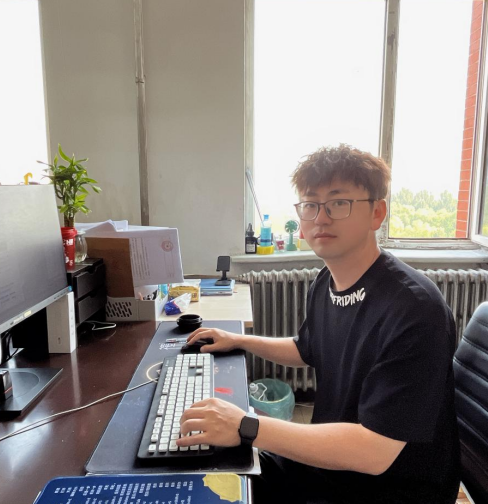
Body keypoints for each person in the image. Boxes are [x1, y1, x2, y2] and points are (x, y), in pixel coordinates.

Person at [178, 144, 460, 503]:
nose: (321, 218)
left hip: (388, 488)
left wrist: (246, 425)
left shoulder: (415, 310)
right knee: (199, 471)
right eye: (311, 204)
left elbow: (375, 452)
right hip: (330, 465)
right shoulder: (326, 281)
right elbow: (307, 348)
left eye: (339, 203)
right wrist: (239, 340)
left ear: (377, 213)